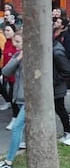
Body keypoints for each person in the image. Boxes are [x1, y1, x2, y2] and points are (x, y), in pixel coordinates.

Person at [0, 30, 23, 168]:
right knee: (21, 128)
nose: (15, 44)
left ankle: (8, 161)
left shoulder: (34, 58)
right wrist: (18, 58)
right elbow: (5, 71)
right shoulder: (17, 54)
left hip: (29, 101)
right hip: (19, 97)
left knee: (17, 127)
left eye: (18, 42)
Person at [52, 40, 70, 142]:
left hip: (57, 88)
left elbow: (68, 71)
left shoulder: (56, 53)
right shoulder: (52, 50)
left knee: (60, 109)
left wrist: (53, 81)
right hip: (54, 86)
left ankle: (68, 131)